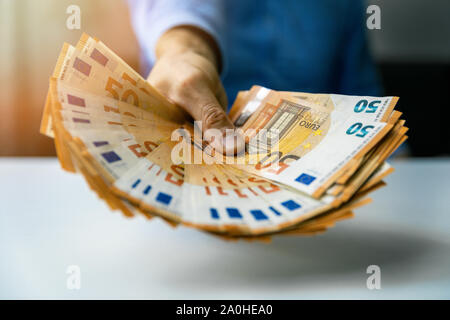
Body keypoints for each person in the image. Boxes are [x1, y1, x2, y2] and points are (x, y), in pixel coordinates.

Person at [128, 0, 381, 154]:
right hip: (188, 178)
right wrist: (184, 51)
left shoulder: (345, 5)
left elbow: (367, 107)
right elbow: (177, 11)